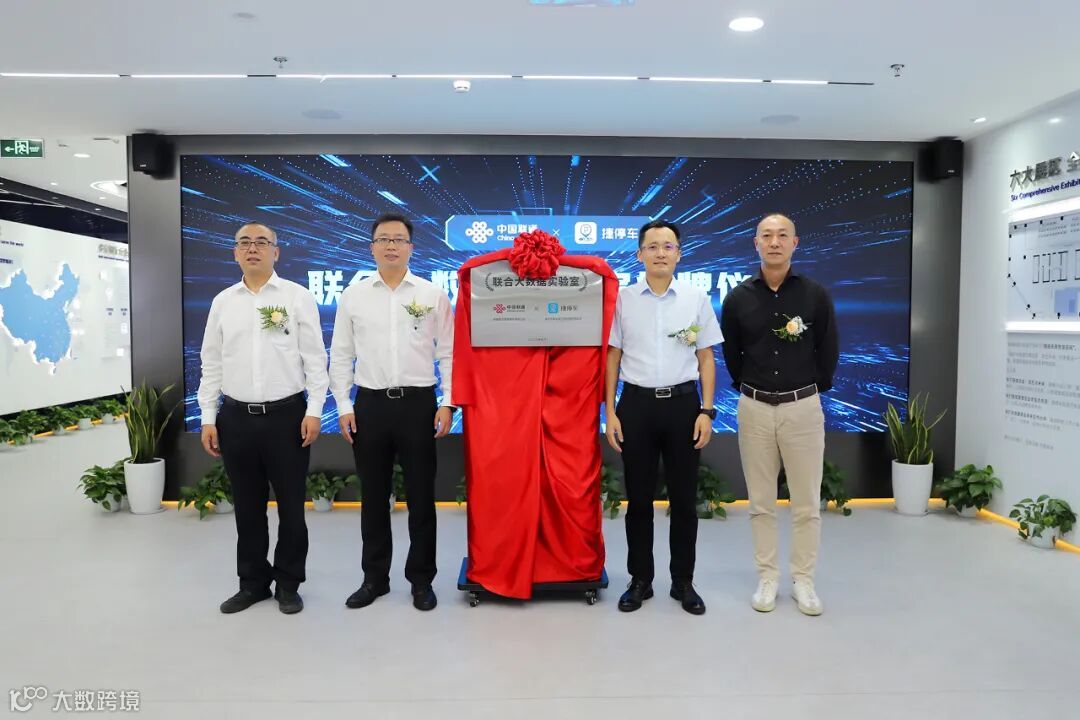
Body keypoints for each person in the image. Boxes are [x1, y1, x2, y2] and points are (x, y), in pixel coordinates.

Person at [198, 222, 329, 615]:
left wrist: (314, 410)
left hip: (286, 417)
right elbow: (211, 362)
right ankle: (253, 583)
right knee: (248, 508)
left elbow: (315, 360)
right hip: (236, 418)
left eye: (261, 242)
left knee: (291, 509)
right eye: (244, 242)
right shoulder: (223, 302)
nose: (252, 248)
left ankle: (288, 583)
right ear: (235, 252)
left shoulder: (297, 297)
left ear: (276, 251)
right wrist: (208, 417)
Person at [329, 212, 454, 612]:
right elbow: (341, 354)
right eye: (383, 239)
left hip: (419, 404)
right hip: (370, 405)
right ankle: (374, 579)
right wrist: (344, 404)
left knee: (421, 497)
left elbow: (449, 353)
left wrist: (448, 401)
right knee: (373, 497)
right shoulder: (354, 296)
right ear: (372, 248)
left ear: (411, 247)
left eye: (399, 239)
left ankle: (421, 580)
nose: (391, 246)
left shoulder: (432, 294)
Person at [720, 213, 838, 616]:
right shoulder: (737, 298)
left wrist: (806, 390)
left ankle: (803, 580)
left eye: (782, 235)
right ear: (755, 243)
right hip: (754, 408)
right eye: (766, 236)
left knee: (806, 503)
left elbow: (828, 349)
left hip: (802, 407)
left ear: (795, 243)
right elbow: (732, 355)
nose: (774, 242)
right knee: (760, 502)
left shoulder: (815, 295)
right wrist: (752, 389)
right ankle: (767, 576)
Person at [604, 220, 723, 615]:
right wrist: (610, 411)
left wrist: (707, 410)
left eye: (667, 246)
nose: (660, 253)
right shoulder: (622, 300)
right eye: (652, 246)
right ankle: (640, 580)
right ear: (639, 254)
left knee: (684, 501)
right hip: (636, 406)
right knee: (638, 501)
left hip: (683, 406)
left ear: (679, 254)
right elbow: (613, 356)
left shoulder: (695, 298)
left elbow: (706, 357)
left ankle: (683, 581)